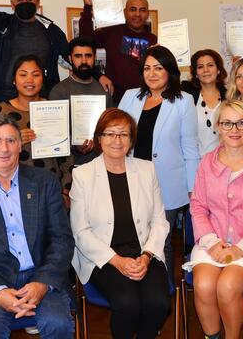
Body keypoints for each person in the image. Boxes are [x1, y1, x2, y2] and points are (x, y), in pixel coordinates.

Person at [0, 114, 75, 339]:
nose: (4, 148)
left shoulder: (45, 182)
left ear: (20, 145)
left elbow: (62, 239)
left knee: (58, 324)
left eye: (11, 140)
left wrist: (42, 282)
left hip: (41, 273)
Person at [70, 108, 171, 338]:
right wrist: (117, 261)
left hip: (144, 252)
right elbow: (81, 232)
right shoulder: (83, 175)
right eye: (110, 134)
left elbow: (159, 221)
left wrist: (146, 256)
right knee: (128, 304)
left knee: (158, 303)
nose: (117, 140)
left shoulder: (147, 170)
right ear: (99, 138)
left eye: (124, 134)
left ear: (131, 140)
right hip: (103, 256)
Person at [186, 100, 243, 339]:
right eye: (227, 123)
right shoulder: (207, 162)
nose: (234, 129)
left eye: (241, 123)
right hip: (212, 243)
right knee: (205, 286)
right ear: (218, 126)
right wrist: (212, 243)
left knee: (227, 287)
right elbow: (197, 206)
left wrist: (241, 248)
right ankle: (212, 336)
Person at [118, 45, 200, 281]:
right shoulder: (130, 96)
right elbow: (116, 133)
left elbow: (190, 147)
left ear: (170, 71)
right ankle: (136, 285)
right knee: (133, 238)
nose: (152, 74)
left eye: (158, 68)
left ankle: (164, 289)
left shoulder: (184, 101)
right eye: (147, 68)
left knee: (161, 241)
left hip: (167, 183)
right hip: (132, 179)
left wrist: (192, 187)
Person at [0, 55, 70, 198]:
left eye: (35, 75)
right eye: (23, 75)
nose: (29, 80)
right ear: (14, 80)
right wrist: (14, 141)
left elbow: (66, 157)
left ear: (42, 79)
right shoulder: (1, 112)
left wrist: (65, 191)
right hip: (13, 190)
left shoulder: (55, 109)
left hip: (52, 188)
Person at [80, 0, 157, 103]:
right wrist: (87, 7)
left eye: (142, 10)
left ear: (147, 14)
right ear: (125, 12)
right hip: (115, 100)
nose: (137, 14)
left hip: (145, 100)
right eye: (132, 9)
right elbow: (85, 40)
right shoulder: (112, 32)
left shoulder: (154, 40)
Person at [49, 36, 113, 168]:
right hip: (69, 167)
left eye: (88, 56)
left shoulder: (104, 89)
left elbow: (111, 126)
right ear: (70, 58)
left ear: (94, 57)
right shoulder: (58, 91)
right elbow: (53, 132)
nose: (84, 60)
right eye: (78, 56)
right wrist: (74, 144)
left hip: (102, 164)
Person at [181, 49, 228, 156]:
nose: (205, 70)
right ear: (196, 73)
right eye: (200, 67)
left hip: (223, 163)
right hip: (194, 162)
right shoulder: (186, 96)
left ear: (218, 69)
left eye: (210, 65)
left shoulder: (229, 97)